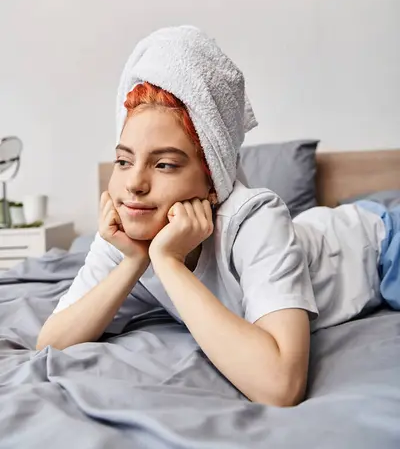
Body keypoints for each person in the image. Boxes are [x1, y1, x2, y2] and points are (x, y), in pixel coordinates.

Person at [36, 26, 400, 407]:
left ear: (213, 182)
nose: (134, 185)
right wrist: (135, 259)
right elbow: (52, 342)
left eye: (164, 165)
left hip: (379, 246)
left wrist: (168, 263)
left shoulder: (256, 219)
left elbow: (281, 386)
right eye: (124, 161)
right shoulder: (128, 228)